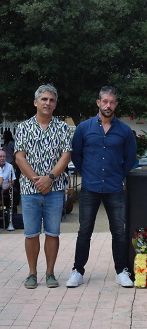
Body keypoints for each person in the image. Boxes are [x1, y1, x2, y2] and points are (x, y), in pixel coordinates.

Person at [66, 86, 137, 288]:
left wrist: (118, 176)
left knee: (118, 231)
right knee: (84, 231)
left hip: (114, 188)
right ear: (98, 102)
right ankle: (77, 271)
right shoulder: (83, 128)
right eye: (104, 101)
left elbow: (130, 158)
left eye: (112, 102)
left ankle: (121, 271)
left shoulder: (124, 130)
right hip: (90, 187)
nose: (108, 105)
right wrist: (87, 174)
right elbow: (76, 155)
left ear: (116, 104)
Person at [14, 84, 72, 289]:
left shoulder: (63, 128)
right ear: (35, 102)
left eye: (52, 100)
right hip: (30, 191)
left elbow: (66, 156)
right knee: (30, 233)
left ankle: (50, 273)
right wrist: (37, 181)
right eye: (44, 99)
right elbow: (19, 157)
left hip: (55, 190)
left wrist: (49, 178)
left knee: (53, 232)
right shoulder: (23, 127)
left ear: (55, 104)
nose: (48, 103)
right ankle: (32, 273)